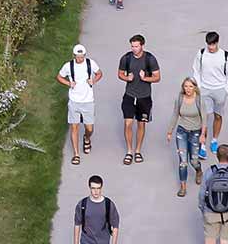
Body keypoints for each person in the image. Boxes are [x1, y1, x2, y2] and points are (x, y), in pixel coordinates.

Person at [116, 34, 160, 165]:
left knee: (141, 124)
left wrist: (145, 78)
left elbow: (157, 77)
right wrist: (126, 78)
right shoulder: (126, 58)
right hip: (129, 95)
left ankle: (138, 150)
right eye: (132, 46)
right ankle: (129, 151)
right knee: (128, 124)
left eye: (136, 46)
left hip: (144, 97)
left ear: (142, 45)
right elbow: (120, 73)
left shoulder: (150, 59)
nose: (134, 48)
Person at [58, 44, 103, 166]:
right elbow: (59, 77)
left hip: (88, 100)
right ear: (74, 56)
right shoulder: (68, 66)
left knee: (89, 128)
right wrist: (69, 83)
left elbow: (99, 73)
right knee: (74, 127)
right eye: (78, 57)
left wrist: (93, 80)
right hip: (74, 101)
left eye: (82, 57)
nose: (80, 59)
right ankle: (76, 154)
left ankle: (87, 138)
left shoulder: (90, 64)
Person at [168, 78, 211, 197]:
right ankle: (183, 187)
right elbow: (175, 114)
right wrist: (170, 131)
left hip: (195, 132)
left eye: (190, 86)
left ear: (195, 87)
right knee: (183, 162)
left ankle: (198, 170)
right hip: (181, 132)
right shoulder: (180, 98)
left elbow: (204, 118)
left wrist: (203, 134)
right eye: (186, 86)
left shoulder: (199, 100)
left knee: (194, 160)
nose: (188, 89)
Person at [192, 31, 228, 151]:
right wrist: (199, 86)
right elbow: (196, 70)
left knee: (218, 116)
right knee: (204, 117)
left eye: (213, 44)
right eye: (209, 44)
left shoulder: (225, 55)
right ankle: (202, 145)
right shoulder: (201, 53)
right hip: (205, 89)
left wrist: (226, 90)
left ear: (217, 43)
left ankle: (214, 140)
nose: (211, 47)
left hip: (220, 90)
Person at [199, 144, 228, 244]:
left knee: (210, 238)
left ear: (217, 156)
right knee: (225, 239)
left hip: (210, 210)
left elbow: (202, 193)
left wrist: (202, 207)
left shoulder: (209, 171)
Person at [73, 174, 121, 244]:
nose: (96, 191)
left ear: (101, 187)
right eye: (93, 188)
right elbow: (77, 224)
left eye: (98, 188)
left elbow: (115, 226)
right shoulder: (82, 204)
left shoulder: (109, 204)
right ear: (89, 187)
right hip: (86, 241)